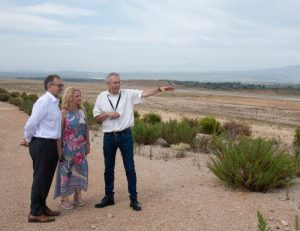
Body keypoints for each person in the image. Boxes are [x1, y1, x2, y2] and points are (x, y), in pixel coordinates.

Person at [93, 72, 174, 211]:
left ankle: (134, 199)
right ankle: (109, 197)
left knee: (130, 168)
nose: (118, 85)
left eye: (119, 82)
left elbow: (144, 93)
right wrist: (107, 114)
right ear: (108, 84)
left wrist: (159, 89)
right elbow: (96, 117)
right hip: (109, 137)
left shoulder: (128, 94)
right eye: (115, 82)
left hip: (125, 136)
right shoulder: (101, 97)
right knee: (108, 168)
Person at [20, 74, 64, 223]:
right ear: (49, 86)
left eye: (61, 85)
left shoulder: (53, 102)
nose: (61, 88)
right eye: (59, 85)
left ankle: (42, 206)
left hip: (49, 144)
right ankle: (35, 212)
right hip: (42, 144)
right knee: (40, 179)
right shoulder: (43, 102)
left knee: (46, 179)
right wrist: (28, 138)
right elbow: (32, 123)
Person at [53, 87, 90, 210]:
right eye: (76, 96)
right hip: (67, 148)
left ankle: (77, 196)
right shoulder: (63, 112)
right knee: (65, 173)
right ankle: (64, 199)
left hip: (80, 148)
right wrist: (59, 150)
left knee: (80, 171)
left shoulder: (82, 110)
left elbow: (86, 128)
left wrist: (88, 144)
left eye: (80, 95)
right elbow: (58, 133)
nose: (79, 98)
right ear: (70, 97)